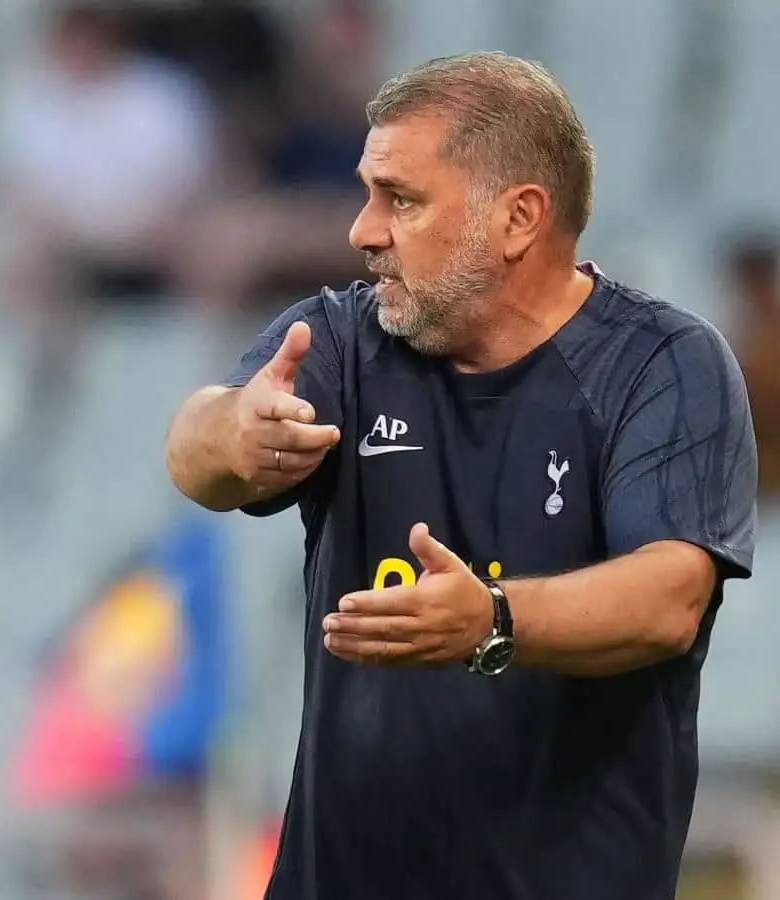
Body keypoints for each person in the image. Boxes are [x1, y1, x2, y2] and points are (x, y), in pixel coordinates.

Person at [164, 51, 757, 900]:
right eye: (369, 192)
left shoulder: (664, 364)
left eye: (399, 199)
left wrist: (493, 617)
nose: (362, 231)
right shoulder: (340, 340)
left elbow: (669, 600)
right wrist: (234, 434)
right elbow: (196, 449)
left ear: (517, 219)